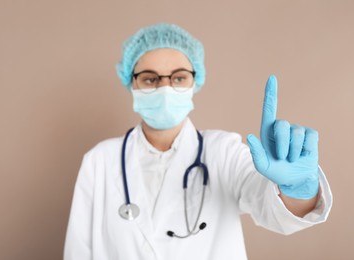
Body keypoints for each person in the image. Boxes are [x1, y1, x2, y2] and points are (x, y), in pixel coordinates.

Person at [64, 23, 332, 260]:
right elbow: (78, 250)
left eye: (179, 77)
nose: (165, 88)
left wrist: (298, 190)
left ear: (195, 81)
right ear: (131, 83)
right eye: (150, 79)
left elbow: (270, 208)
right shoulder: (99, 160)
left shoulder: (223, 152)